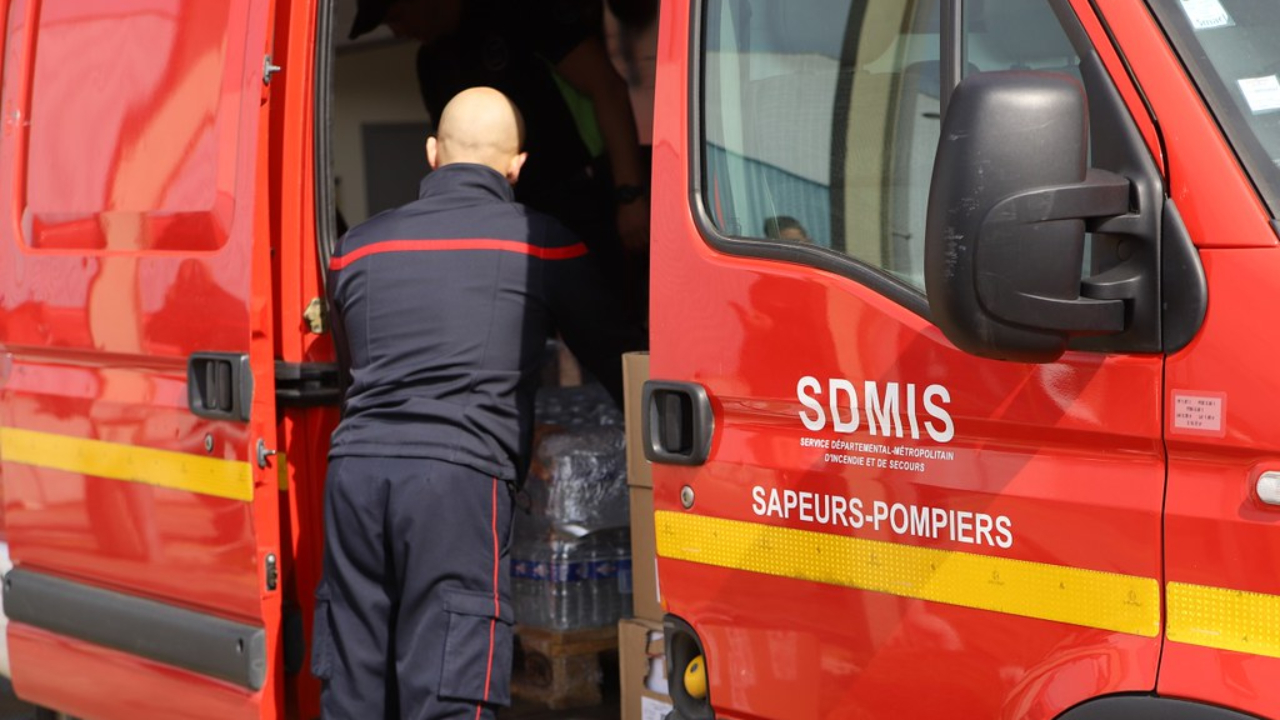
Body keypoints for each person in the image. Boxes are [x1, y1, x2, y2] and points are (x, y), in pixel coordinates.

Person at [312, 87, 644, 719]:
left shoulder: (358, 248)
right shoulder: (540, 242)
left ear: (433, 153)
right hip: (455, 489)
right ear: (517, 165)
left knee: (354, 689)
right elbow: (623, 358)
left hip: (354, 477)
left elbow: (354, 369)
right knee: (451, 685)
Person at [348, 0, 650, 323]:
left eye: (395, 16)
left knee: (606, 327)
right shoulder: (432, 62)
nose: (397, 31)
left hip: (583, 203)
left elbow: (607, 86)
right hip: (503, 231)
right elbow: (450, 155)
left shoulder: (520, 12)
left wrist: (629, 194)